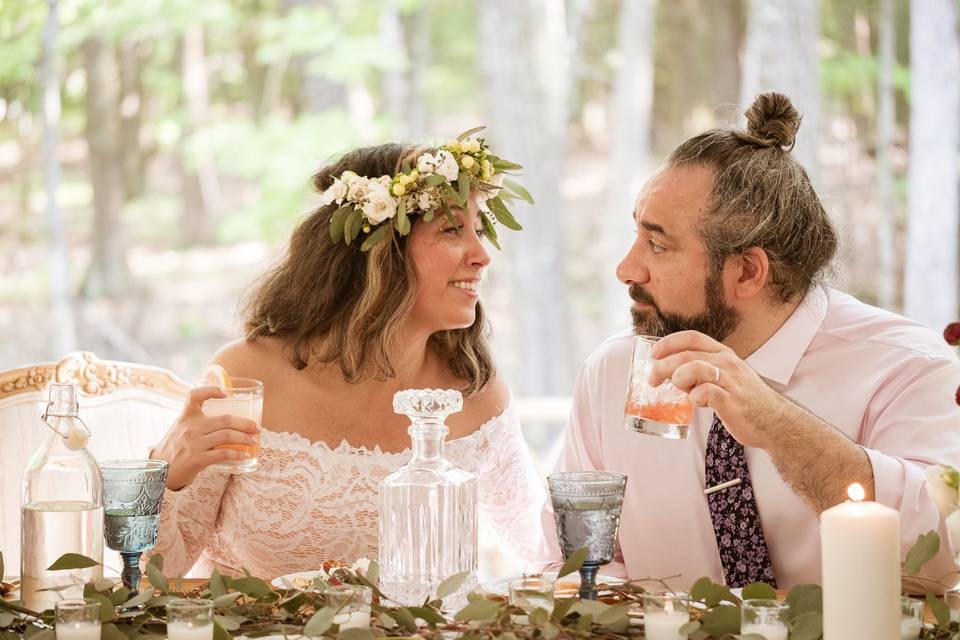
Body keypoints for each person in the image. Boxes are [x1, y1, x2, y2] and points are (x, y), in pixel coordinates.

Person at [545, 93, 960, 589]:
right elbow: (574, 572)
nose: (626, 269)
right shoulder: (614, 373)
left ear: (747, 272)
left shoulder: (904, 367)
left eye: (658, 245)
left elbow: (939, 564)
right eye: (637, 237)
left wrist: (774, 423)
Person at [148, 134, 546, 578]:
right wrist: (166, 476)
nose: (482, 255)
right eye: (453, 229)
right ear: (381, 252)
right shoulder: (245, 377)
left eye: (479, 228)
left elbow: (541, 550)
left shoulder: (475, 391)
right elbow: (152, 576)